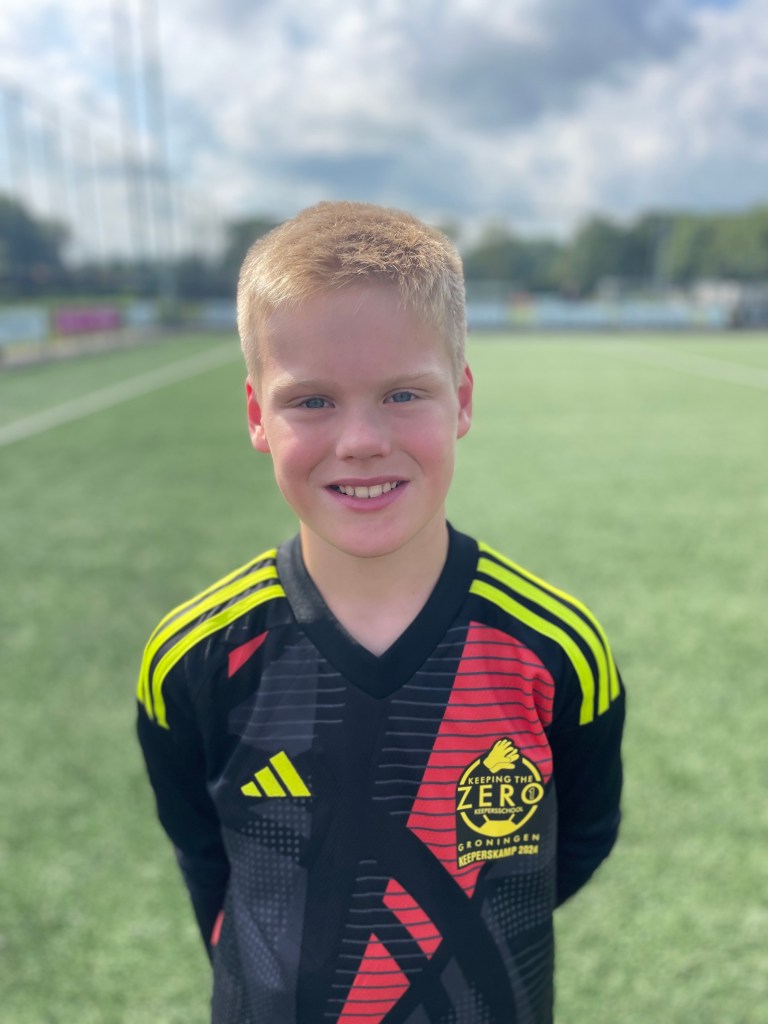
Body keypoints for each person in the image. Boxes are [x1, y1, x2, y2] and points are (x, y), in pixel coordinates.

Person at [136, 201, 625, 1024]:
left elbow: (577, 841)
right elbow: (203, 849)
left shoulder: (553, 647)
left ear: (460, 400)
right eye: (311, 401)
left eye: (402, 393)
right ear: (257, 416)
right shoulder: (195, 655)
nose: (361, 439)